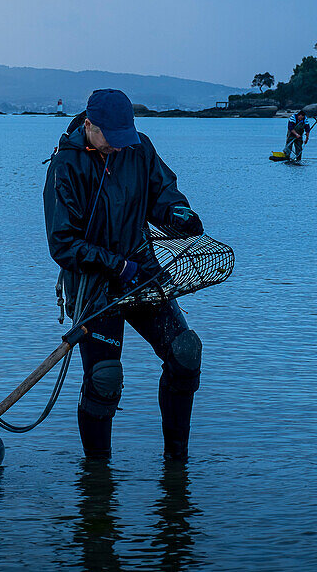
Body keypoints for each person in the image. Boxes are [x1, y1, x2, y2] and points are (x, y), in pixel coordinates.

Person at [43, 89, 205, 461]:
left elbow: (163, 192)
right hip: (94, 285)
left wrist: (177, 212)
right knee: (105, 378)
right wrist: (115, 264)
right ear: (89, 126)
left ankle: (176, 462)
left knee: (185, 353)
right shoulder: (64, 167)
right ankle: (97, 478)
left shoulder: (138, 148)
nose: (118, 147)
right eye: (110, 139)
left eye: (124, 138)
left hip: (144, 274)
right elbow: (63, 244)